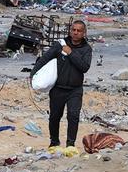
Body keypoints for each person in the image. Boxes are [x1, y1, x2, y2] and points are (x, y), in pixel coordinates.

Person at [31, 20, 93, 156]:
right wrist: (33, 74)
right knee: (54, 116)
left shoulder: (86, 49)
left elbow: (84, 67)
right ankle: (54, 143)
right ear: (70, 31)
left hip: (75, 89)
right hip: (58, 88)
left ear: (84, 33)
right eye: (73, 30)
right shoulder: (60, 45)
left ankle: (70, 145)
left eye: (79, 31)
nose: (75, 33)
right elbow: (44, 59)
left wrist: (71, 53)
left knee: (73, 115)